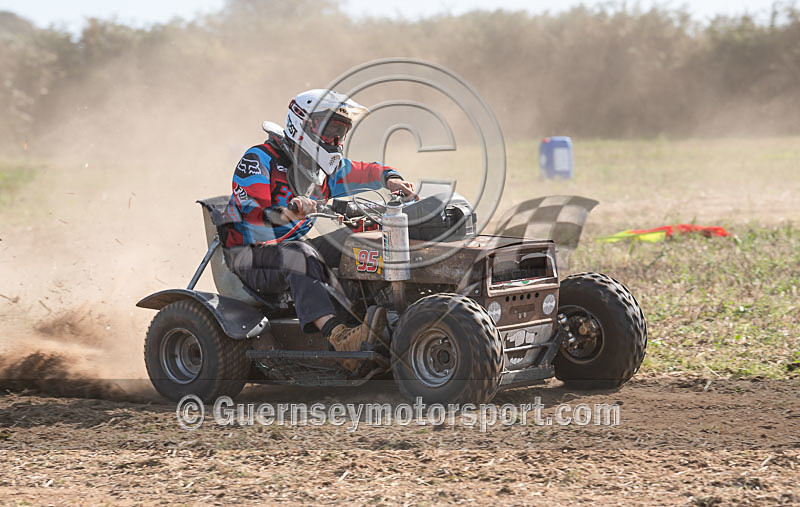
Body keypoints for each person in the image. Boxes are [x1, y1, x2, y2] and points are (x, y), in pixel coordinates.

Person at [221, 89, 415, 370]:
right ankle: (341, 338)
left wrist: (391, 178)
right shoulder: (258, 160)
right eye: (331, 132)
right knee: (300, 253)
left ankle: (383, 311)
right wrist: (291, 211)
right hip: (251, 258)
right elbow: (255, 218)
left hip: (288, 249)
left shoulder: (322, 171)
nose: (336, 141)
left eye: (341, 133)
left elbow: (365, 171)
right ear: (304, 125)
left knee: (357, 239)